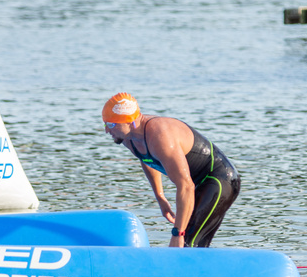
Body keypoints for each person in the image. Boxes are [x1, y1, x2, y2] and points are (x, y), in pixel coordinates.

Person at [102, 92, 240, 247]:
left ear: (130, 121)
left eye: (111, 124)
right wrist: (161, 198)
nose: (107, 130)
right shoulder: (128, 137)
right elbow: (147, 159)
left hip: (220, 180)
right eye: (105, 123)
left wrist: (178, 233)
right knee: (195, 244)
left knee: (186, 242)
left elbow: (186, 186)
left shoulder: (160, 136)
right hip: (197, 184)